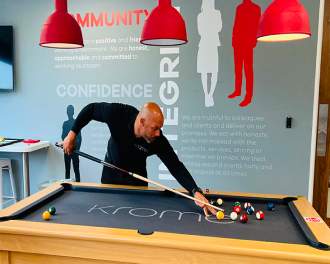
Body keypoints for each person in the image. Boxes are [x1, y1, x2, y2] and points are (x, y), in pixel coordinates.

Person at [59, 102, 217, 217]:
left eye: (160, 129)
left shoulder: (158, 141)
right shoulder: (118, 113)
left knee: (136, 216)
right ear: (142, 122)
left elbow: (176, 166)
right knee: (107, 213)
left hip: (136, 177)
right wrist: (71, 135)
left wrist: (195, 191)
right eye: (155, 128)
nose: (158, 133)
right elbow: (91, 110)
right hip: (111, 170)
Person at [228, 0, 261, 107]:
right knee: (237, 68)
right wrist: (234, 40)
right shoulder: (239, 8)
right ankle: (238, 91)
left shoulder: (256, 8)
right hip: (238, 42)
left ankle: (248, 96)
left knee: (247, 70)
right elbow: (236, 24)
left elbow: (257, 25)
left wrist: (253, 41)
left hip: (248, 42)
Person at [197, 0, 222, 107]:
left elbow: (201, 31)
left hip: (206, 43)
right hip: (210, 43)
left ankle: (208, 95)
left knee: (209, 71)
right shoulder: (215, 14)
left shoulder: (203, 15)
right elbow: (218, 28)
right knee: (210, 71)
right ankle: (208, 95)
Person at [61, 105, 82, 182]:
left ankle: (78, 184)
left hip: (73, 150)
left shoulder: (76, 122)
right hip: (68, 150)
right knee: (68, 170)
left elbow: (79, 137)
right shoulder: (65, 124)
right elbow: (63, 136)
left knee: (75, 169)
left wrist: (76, 149)